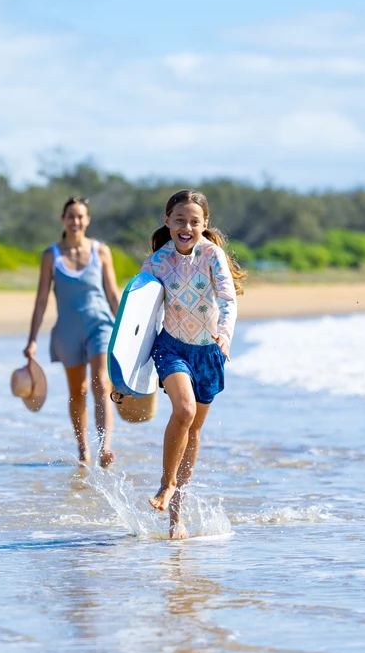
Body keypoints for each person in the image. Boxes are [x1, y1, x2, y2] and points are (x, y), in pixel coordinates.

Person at [139, 190, 246, 538]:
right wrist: (128, 371)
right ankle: (166, 483)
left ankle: (176, 514)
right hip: (171, 347)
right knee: (183, 411)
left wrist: (225, 336)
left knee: (194, 431)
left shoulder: (212, 255)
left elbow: (228, 299)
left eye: (194, 222)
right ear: (167, 220)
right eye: (180, 220)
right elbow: (139, 317)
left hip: (209, 351)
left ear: (204, 225)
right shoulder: (156, 262)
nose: (186, 227)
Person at [24, 196, 122, 467]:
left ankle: (104, 446)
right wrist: (32, 340)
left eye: (81, 216)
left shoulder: (101, 251)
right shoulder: (51, 255)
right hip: (67, 331)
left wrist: (127, 331)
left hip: (100, 325)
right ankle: (83, 449)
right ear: (63, 220)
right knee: (77, 391)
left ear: (87, 220)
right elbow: (41, 300)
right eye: (71, 216)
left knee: (102, 383)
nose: (76, 221)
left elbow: (113, 294)